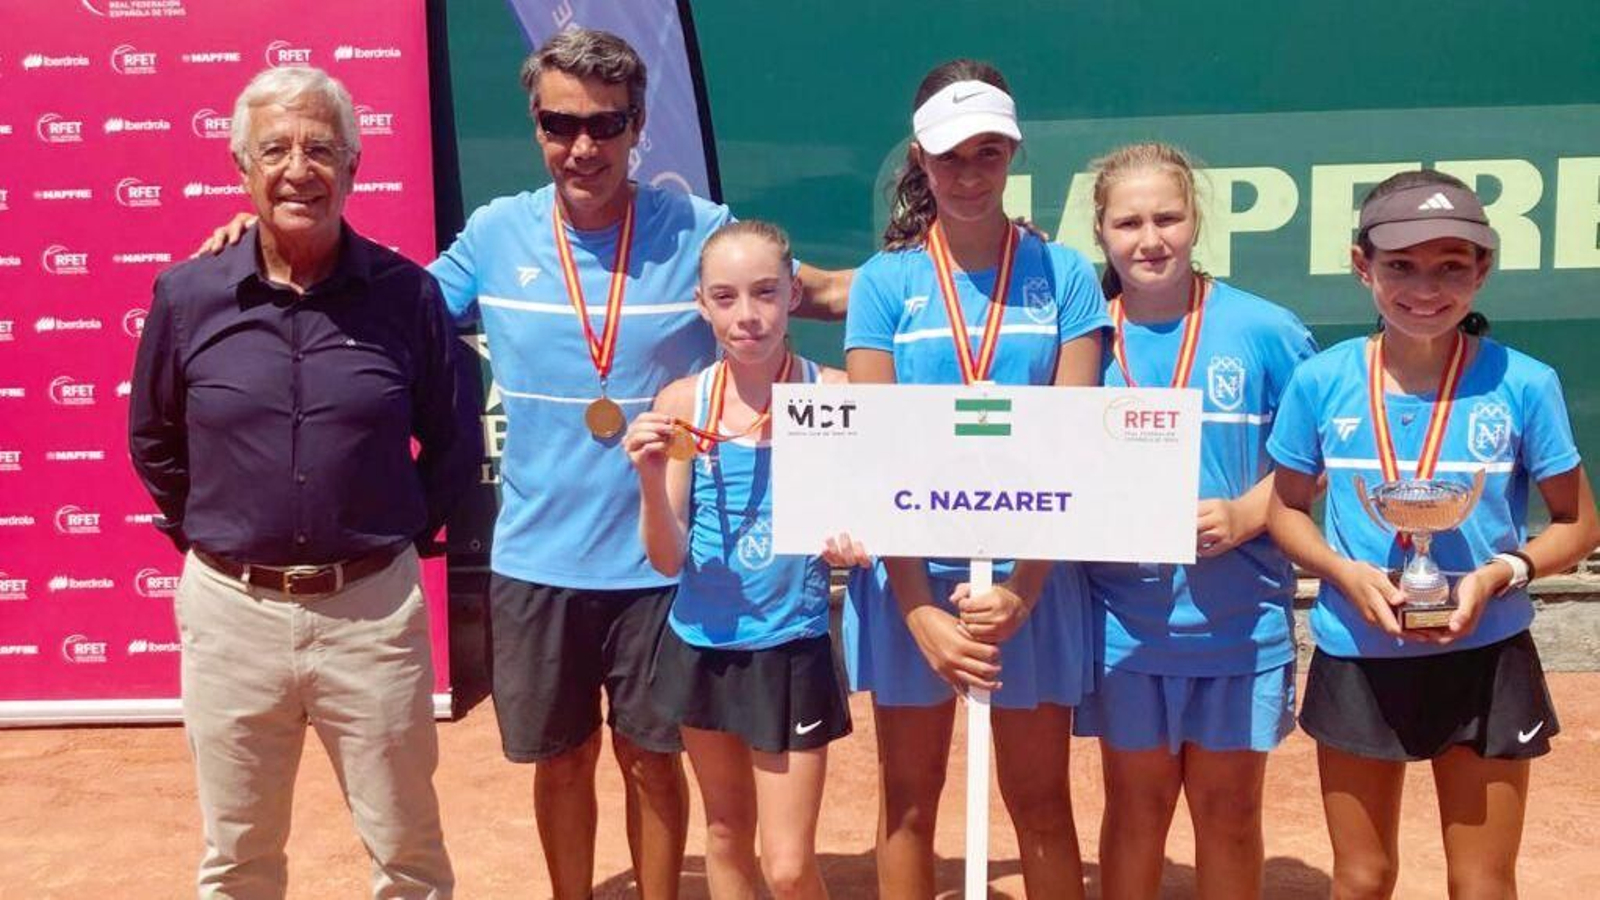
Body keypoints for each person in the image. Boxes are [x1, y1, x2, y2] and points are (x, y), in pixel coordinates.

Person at [129, 65, 478, 899]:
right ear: (241, 168)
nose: (298, 169)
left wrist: (392, 532)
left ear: (354, 168)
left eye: (321, 148)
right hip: (231, 616)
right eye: (275, 149)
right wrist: (217, 531)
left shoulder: (408, 297)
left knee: (409, 857)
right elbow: (154, 438)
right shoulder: (188, 295)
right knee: (237, 858)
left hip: (371, 615)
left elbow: (455, 439)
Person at [1265, 170, 1600, 899]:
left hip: (1486, 655)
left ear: (1483, 269)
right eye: (1401, 267)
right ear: (1363, 267)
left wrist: (1497, 573)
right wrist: (1340, 573)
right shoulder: (1321, 382)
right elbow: (1286, 509)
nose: (1425, 288)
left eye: (1452, 267)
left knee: (1481, 884)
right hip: (1358, 651)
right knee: (1361, 879)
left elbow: (1579, 525)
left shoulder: (1526, 384)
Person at [841, 59, 1108, 898]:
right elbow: (876, 450)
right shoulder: (886, 282)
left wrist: (1023, 591)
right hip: (913, 577)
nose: (968, 174)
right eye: (950, 155)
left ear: (1013, 155)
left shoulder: (1064, 275)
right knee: (908, 806)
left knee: (1041, 806)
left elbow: (1075, 446)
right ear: (919, 159)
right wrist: (918, 605)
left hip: (1035, 575)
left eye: (988, 154)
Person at [1070, 143, 1317, 899]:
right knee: (1136, 809)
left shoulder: (1266, 330)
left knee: (1230, 812)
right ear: (1101, 231)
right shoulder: (1083, 340)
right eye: (1129, 222)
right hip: (1125, 626)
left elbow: (1323, 452)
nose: (1150, 239)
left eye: (1168, 218)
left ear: (1196, 219)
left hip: (1240, 624)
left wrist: (1249, 512)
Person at [624, 220, 851, 900]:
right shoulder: (682, 405)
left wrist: (854, 539)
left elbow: (874, 511)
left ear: (792, 296)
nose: (746, 316)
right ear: (701, 304)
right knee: (725, 832)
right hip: (703, 644)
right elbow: (667, 559)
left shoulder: (833, 391)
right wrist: (646, 476)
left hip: (792, 647)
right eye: (724, 297)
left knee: (785, 866)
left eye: (764, 293)